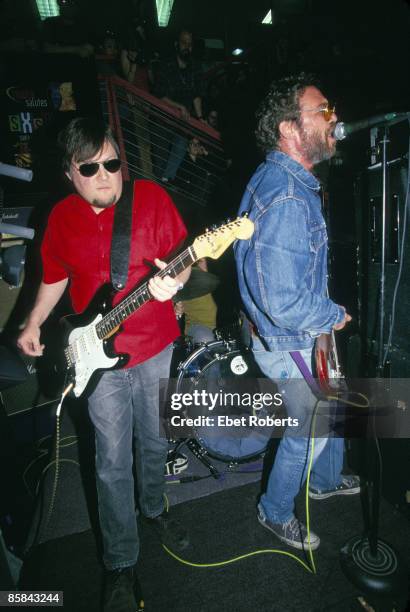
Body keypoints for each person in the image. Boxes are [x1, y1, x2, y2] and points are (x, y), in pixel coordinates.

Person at [17, 118, 190, 611]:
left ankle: (154, 509)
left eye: (112, 163)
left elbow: (191, 259)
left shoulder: (151, 199)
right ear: (70, 173)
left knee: (155, 442)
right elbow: (52, 275)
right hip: (99, 363)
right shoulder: (61, 217)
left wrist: (174, 282)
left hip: (155, 345)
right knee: (112, 460)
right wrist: (33, 323)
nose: (104, 175)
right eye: (89, 167)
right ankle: (120, 562)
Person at [234, 73, 359, 552]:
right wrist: (331, 315)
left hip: (301, 334)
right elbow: (283, 302)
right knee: (310, 429)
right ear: (289, 128)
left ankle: (325, 482)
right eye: (322, 111)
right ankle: (275, 511)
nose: (334, 119)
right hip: (290, 339)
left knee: (333, 403)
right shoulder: (286, 195)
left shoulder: (287, 181)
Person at [153, 29, 204, 182]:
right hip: (162, 118)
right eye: (184, 43)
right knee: (160, 155)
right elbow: (159, 94)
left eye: (189, 44)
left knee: (180, 147)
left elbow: (196, 94)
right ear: (177, 44)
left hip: (182, 121)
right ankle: (159, 180)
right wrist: (179, 106)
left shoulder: (195, 67)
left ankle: (166, 180)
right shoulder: (165, 64)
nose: (187, 46)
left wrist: (200, 117)